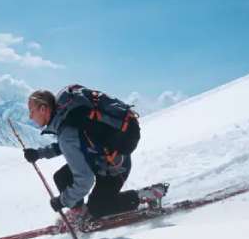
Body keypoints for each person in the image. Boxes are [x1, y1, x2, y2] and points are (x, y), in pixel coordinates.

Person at [23, 85, 168, 226]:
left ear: (43, 109)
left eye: (31, 111)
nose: (30, 116)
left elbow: (85, 180)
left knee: (98, 208)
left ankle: (147, 195)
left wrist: (63, 201)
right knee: (62, 177)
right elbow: (76, 142)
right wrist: (39, 153)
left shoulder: (66, 130)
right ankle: (79, 212)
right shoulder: (66, 115)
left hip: (115, 166)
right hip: (100, 157)